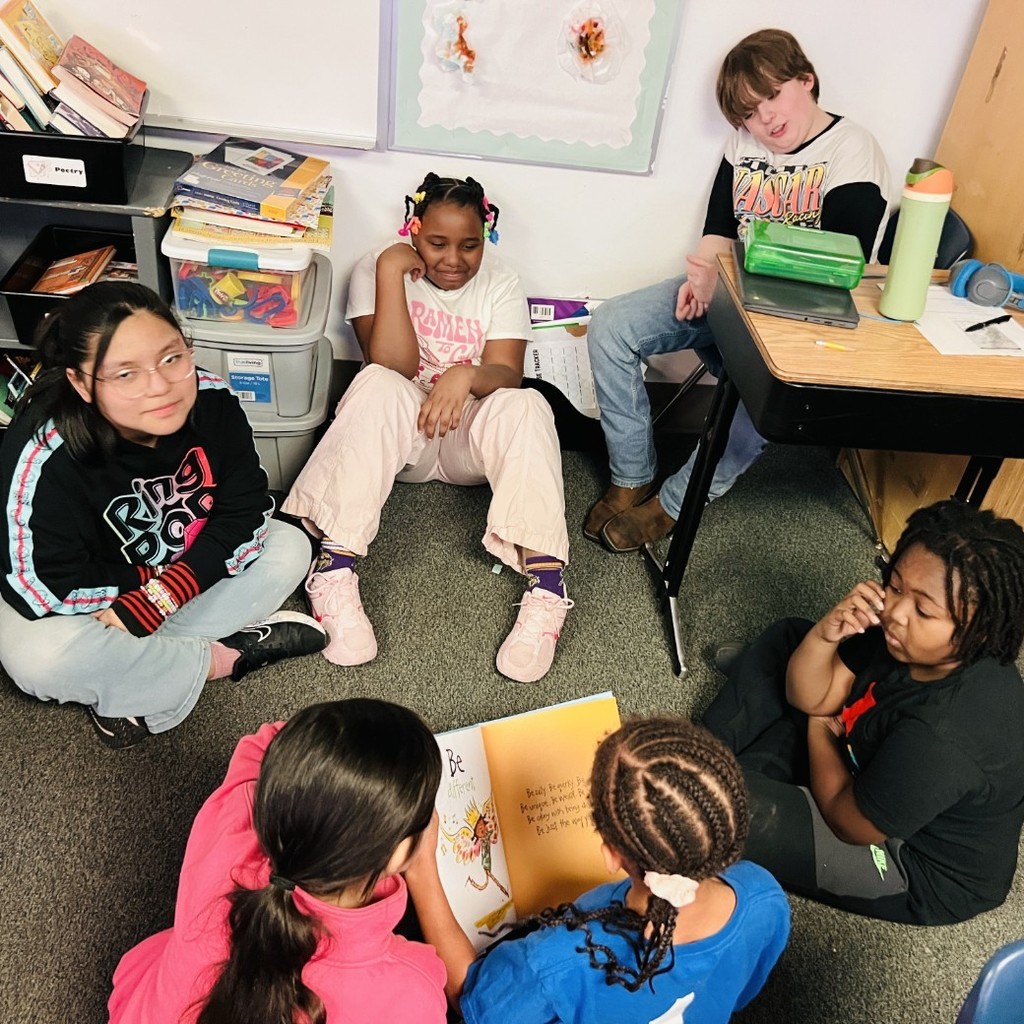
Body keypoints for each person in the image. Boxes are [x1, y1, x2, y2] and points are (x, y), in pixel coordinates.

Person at [585, 28, 891, 551]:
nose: (764, 120)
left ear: (806, 81)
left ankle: (677, 502)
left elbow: (844, 261)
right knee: (611, 325)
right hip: (730, 296)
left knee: (764, 389)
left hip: (798, 321)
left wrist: (732, 272)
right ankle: (631, 473)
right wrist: (702, 275)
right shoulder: (742, 145)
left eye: (771, 96)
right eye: (748, 113)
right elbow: (719, 227)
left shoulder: (852, 147)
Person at [0, 282, 326, 749]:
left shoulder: (212, 399)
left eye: (172, 358)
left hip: (178, 578)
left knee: (290, 546)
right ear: (80, 382)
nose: (160, 387)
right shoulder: (44, 451)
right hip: (93, 598)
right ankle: (225, 658)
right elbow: (44, 581)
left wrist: (164, 595)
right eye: (125, 374)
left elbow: (246, 508)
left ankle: (133, 677)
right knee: (35, 657)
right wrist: (141, 595)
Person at [282, 172, 573, 683]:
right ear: (413, 230)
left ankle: (548, 590)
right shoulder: (378, 265)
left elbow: (506, 373)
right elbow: (389, 363)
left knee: (527, 404)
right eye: (437, 243)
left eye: (469, 245)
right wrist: (392, 272)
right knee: (375, 383)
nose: (453, 260)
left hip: (466, 444)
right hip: (403, 441)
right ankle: (333, 571)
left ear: (486, 240)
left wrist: (464, 375)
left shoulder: (501, 280)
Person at [702, 499, 1024, 925]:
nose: (894, 613)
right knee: (794, 637)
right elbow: (811, 697)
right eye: (893, 585)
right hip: (862, 750)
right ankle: (711, 757)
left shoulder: (945, 736)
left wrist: (820, 732)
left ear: (979, 630)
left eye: (924, 610)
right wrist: (826, 632)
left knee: (717, 806)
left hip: (905, 857)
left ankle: (719, 769)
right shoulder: (909, 640)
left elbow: (849, 822)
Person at [404, 715, 791, 1023]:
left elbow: (469, 998)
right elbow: (742, 993)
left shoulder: (553, 961)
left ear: (611, 854)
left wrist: (422, 868)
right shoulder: (763, 893)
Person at [107, 698, 448, 1024]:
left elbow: (267, 740)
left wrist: (337, 764)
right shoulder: (409, 986)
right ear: (396, 852)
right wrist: (422, 867)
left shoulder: (230, 828)